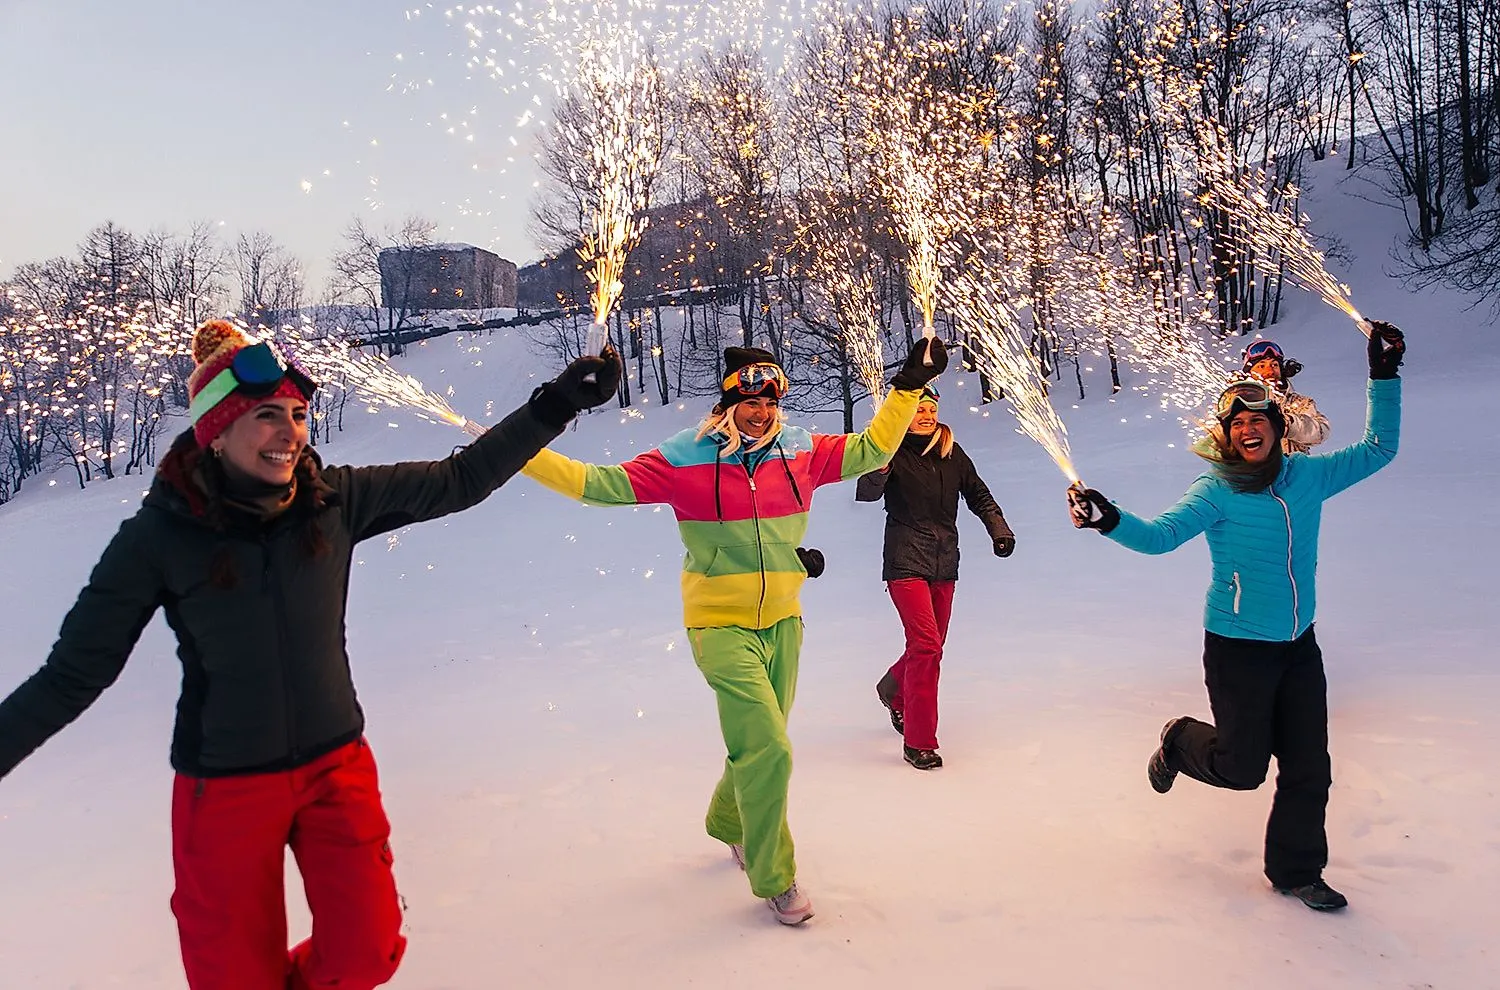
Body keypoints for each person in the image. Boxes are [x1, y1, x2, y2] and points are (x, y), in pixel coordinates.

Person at [0, 319, 620, 989]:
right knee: (234, 979)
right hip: (226, 788)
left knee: (366, 952)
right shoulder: (158, 537)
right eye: (267, 415)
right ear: (216, 432)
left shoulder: (335, 500)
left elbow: (459, 479)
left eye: (297, 415)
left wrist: (556, 404)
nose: (290, 432)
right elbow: (71, 676)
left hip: (336, 768)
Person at [520, 340, 946, 925]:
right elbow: (597, 483)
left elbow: (874, 448)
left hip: (783, 622)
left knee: (758, 744)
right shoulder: (686, 456)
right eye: (750, 401)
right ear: (728, 402)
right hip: (718, 625)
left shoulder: (802, 451)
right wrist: (518, 449)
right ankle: (775, 877)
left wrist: (905, 389)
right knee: (770, 748)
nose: (761, 412)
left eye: (770, 401)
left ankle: (728, 821)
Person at [1067, 321, 1405, 912]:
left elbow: (1380, 448)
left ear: (1277, 426)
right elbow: (1161, 537)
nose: (1249, 429)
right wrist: (1109, 518)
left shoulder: (1308, 476)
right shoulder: (1217, 489)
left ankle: (1297, 872)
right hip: (1238, 648)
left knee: (1309, 768)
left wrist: (1383, 375)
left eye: (1258, 420)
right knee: (1242, 769)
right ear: (1226, 435)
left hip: (1299, 646)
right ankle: (1179, 740)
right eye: (1237, 423)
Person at [856, 386, 1015, 770]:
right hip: (905, 562)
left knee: (931, 645)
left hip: (945, 563)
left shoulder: (951, 452)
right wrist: (879, 466)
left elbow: (979, 495)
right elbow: (866, 492)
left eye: (930, 409)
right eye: (918, 410)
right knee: (927, 646)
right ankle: (919, 741)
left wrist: (999, 529)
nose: (926, 416)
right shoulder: (889, 449)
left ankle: (893, 689)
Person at [1242, 338, 1330, 453]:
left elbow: (1321, 432)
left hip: (1296, 464)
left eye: (1274, 365)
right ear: (1249, 373)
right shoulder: (1235, 402)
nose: (1270, 371)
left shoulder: (1299, 403)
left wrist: (1288, 425)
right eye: (1261, 366)